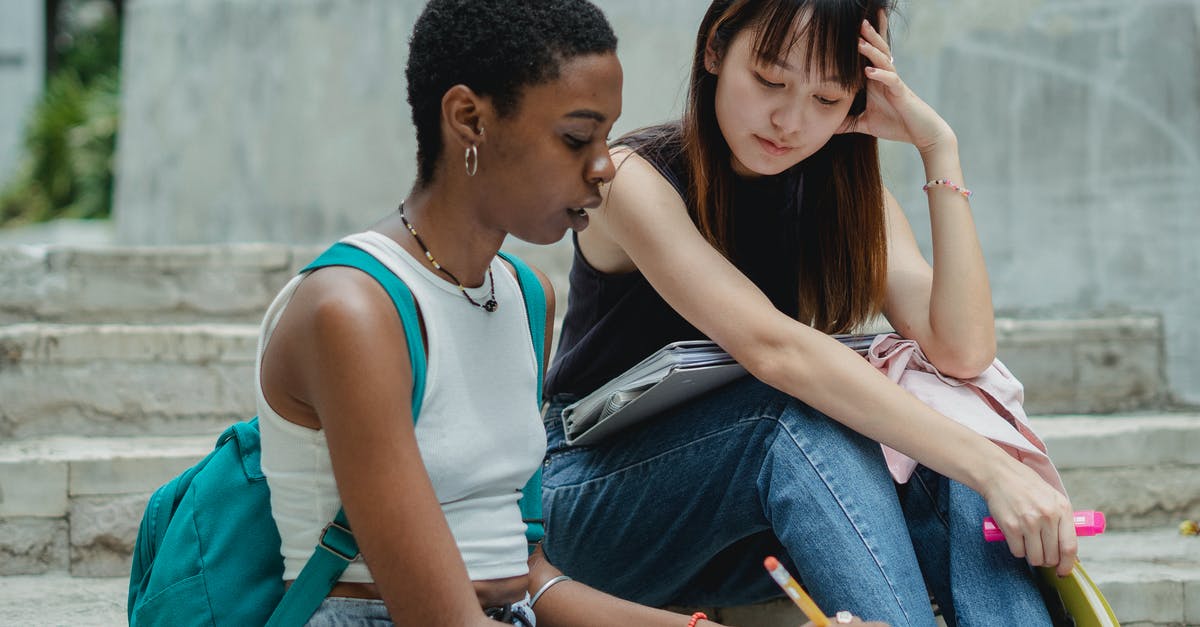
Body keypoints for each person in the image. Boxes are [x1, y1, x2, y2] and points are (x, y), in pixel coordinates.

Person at [255, 1, 873, 626]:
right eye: (578, 137)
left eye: (608, 136)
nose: (606, 166)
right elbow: (441, 617)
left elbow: (533, 583)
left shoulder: (523, 296)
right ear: (469, 120)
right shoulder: (353, 308)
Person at [540, 1, 1076, 625]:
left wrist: (939, 147)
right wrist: (993, 470)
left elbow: (961, 352)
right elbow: (777, 351)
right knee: (798, 413)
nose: (790, 121)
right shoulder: (632, 177)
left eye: (827, 99)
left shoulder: (849, 198)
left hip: (748, 527)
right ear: (715, 50)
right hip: (597, 500)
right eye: (770, 81)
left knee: (949, 438)